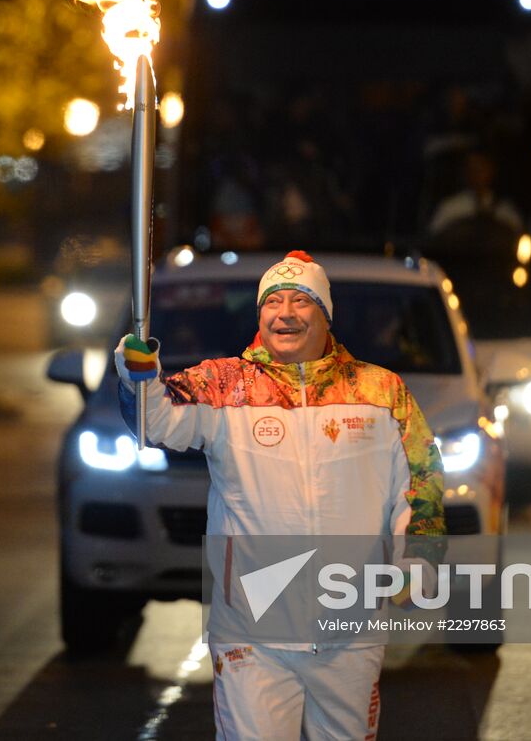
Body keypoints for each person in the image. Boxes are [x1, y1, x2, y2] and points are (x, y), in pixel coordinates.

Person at [114, 251, 445, 741]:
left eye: (300, 300)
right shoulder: (225, 386)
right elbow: (153, 419)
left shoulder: (380, 392)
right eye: (273, 301)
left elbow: (421, 483)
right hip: (253, 633)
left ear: (325, 314)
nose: (284, 312)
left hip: (350, 631)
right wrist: (137, 374)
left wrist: (416, 560)